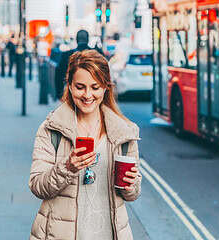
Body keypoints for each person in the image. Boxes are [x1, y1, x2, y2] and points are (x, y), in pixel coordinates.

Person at [29, 49, 142, 240]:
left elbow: (131, 194)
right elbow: (37, 186)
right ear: (70, 86)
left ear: (106, 87)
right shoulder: (52, 129)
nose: (87, 95)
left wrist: (130, 184)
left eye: (95, 87)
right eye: (80, 87)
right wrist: (66, 167)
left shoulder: (124, 133)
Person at [56, 29, 93, 99]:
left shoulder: (67, 55)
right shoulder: (97, 54)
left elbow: (59, 74)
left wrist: (59, 94)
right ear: (88, 40)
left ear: (76, 40)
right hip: (92, 94)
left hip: (72, 94)